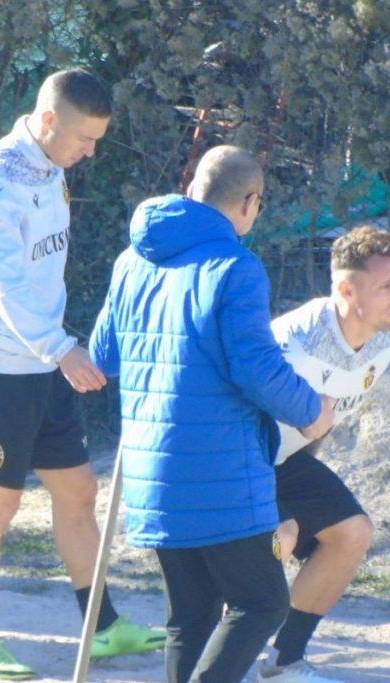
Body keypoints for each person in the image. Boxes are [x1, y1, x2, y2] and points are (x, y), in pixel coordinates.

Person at [0, 68, 164, 680]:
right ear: (48, 120)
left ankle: (103, 627)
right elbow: (5, 285)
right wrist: (61, 348)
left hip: (47, 360)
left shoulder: (53, 166)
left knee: (79, 492)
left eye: (97, 140)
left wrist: (61, 348)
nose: (90, 152)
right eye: (83, 139)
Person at [89, 145, 336, 683]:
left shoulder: (131, 260)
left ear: (193, 188)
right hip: (219, 474)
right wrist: (310, 410)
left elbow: (103, 356)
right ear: (250, 201)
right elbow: (255, 367)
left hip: (153, 474)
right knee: (262, 602)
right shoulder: (236, 266)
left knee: (193, 615)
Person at [256, 226, 390, 682]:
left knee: (352, 532)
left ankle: (283, 661)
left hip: (285, 459)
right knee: (279, 536)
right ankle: (225, 649)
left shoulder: (382, 344)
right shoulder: (296, 342)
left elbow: (324, 421)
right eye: (386, 286)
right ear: (345, 290)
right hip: (235, 458)